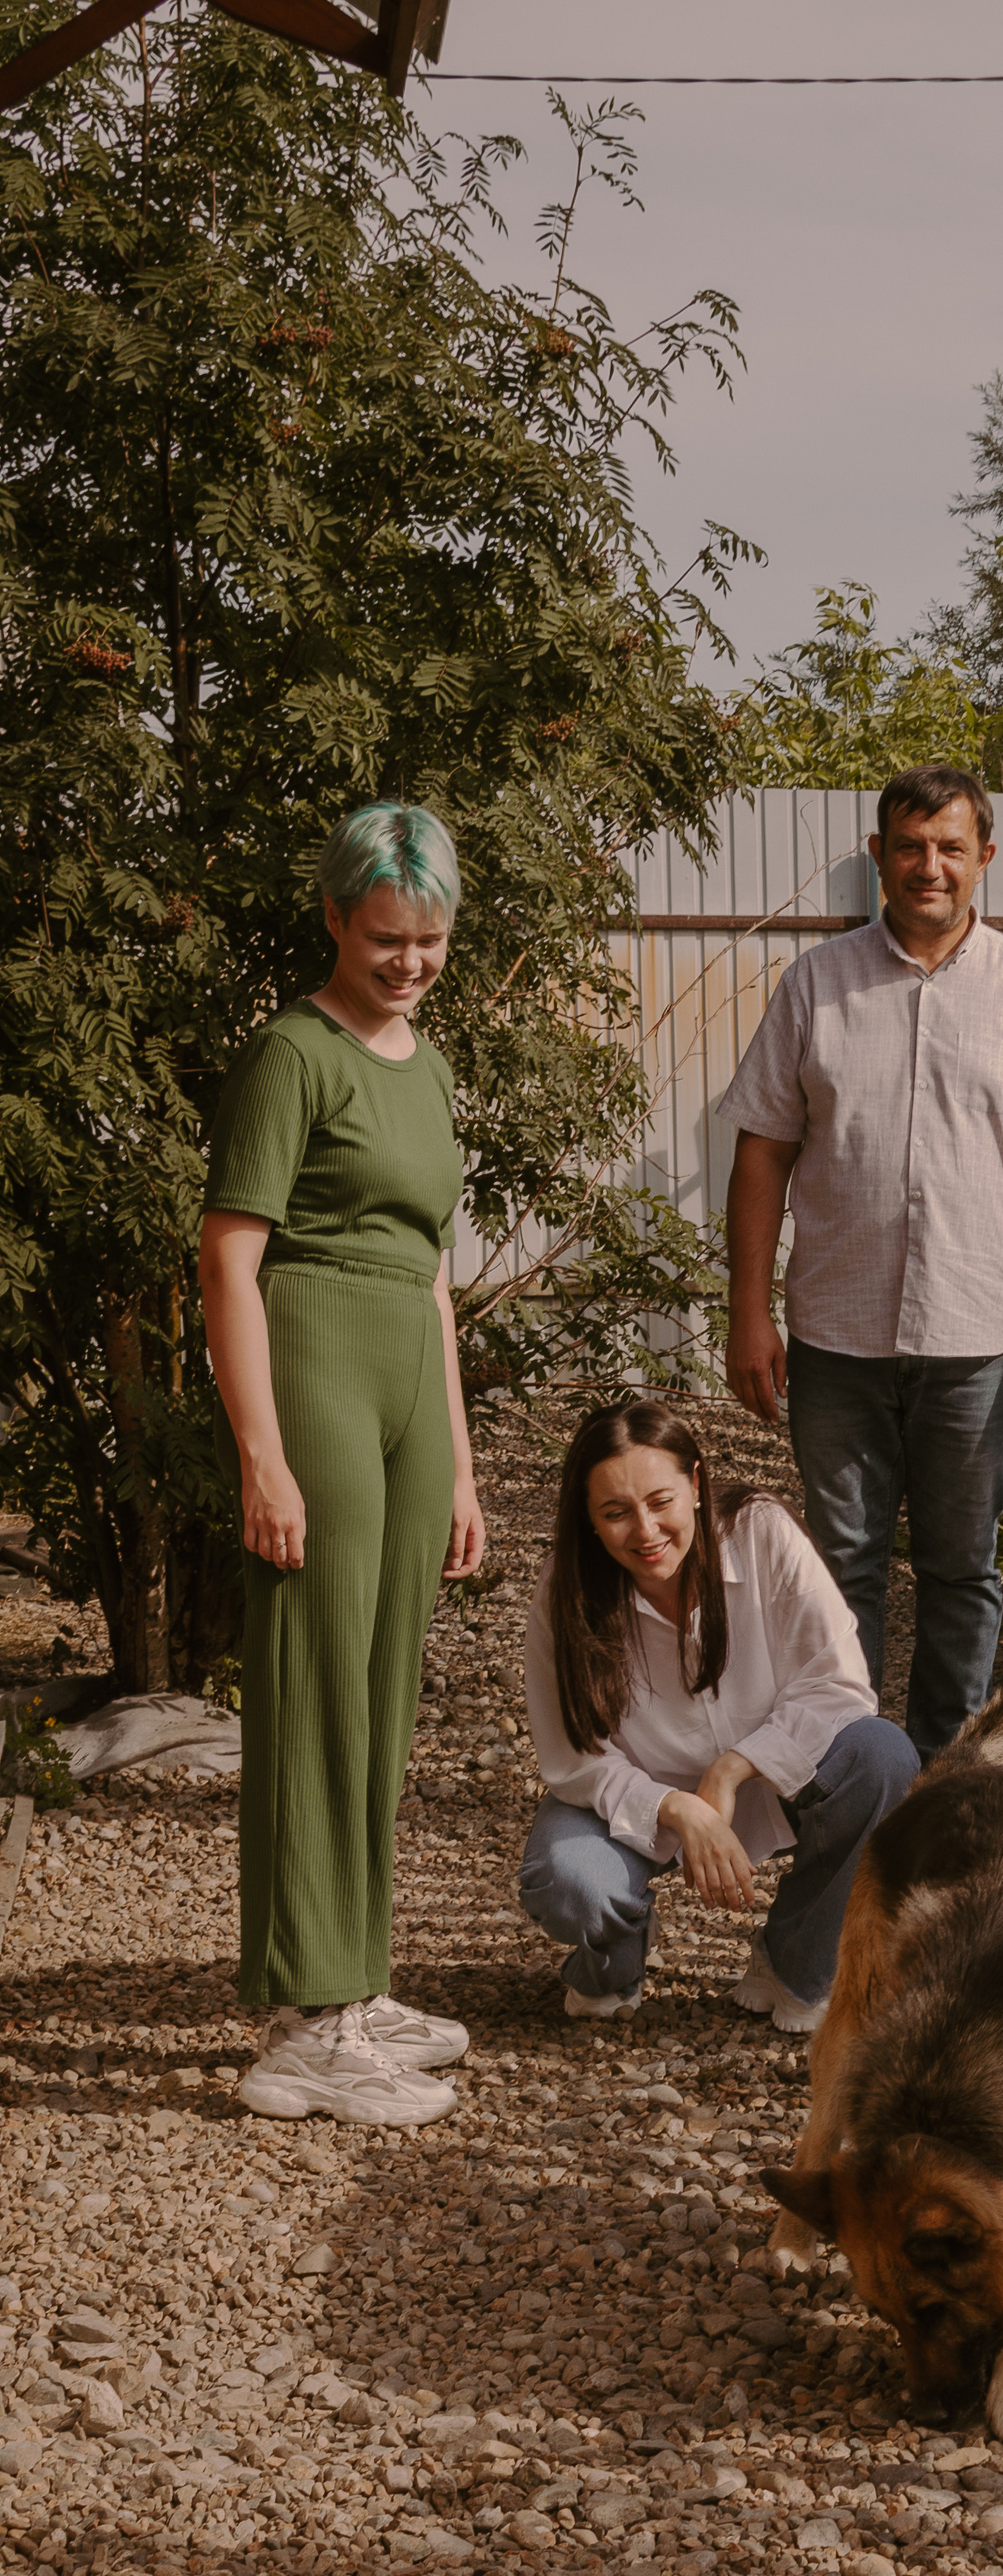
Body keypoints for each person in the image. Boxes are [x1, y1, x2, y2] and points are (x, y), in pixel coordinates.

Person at [717, 763, 1003, 1758]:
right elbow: (762, 1154)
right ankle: (848, 1764)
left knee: (962, 1568)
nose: (928, 866)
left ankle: (945, 1777)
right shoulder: (816, 983)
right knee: (842, 1565)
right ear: (879, 858)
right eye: (909, 846)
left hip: (978, 1340)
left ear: (985, 859)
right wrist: (747, 1311)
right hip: (835, 1336)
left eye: (949, 847)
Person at [201, 803, 484, 2127]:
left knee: (380, 1684)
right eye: (387, 937)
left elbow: (433, 1275)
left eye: (429, 939)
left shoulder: (426, 1063)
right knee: (315, 1679)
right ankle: (306, 2020)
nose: (410, 961)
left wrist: (466, 1466)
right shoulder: (290, 1051)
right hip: (312, 1352)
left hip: (407, 1378)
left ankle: (357, 1981)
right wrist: (262, 1451)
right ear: (333, 916)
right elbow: (230, 1261)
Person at [519, 1398, 919, 2034]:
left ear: (697, 1485)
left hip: (768, 1776)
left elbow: (837, 1683)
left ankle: (795, 1964)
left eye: (660, 1501)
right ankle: (612, 1964)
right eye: (615, 1513)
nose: (645, 1532)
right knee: (571, 1881)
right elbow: (573, 1759)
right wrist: (676, 1809)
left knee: (883, 1757)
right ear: (589, 1520)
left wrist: (733, 1770)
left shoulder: (760, 1532)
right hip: (637, 1797)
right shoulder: (564, 1592)